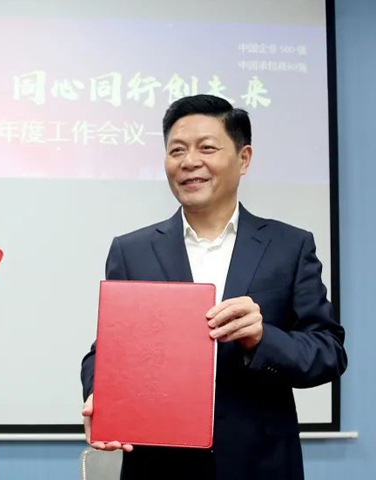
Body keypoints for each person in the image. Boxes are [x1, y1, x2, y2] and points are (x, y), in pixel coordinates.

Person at [80, 94, 347, 480]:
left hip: (261, 464)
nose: (189, 162)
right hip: (158, 465)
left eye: (206, 148)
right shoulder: (132, 250)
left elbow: (328, 351)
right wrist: (100, 395)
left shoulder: (289, 246)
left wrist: (263, 339)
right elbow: (106, 351)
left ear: (243, 158)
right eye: (177, 150)